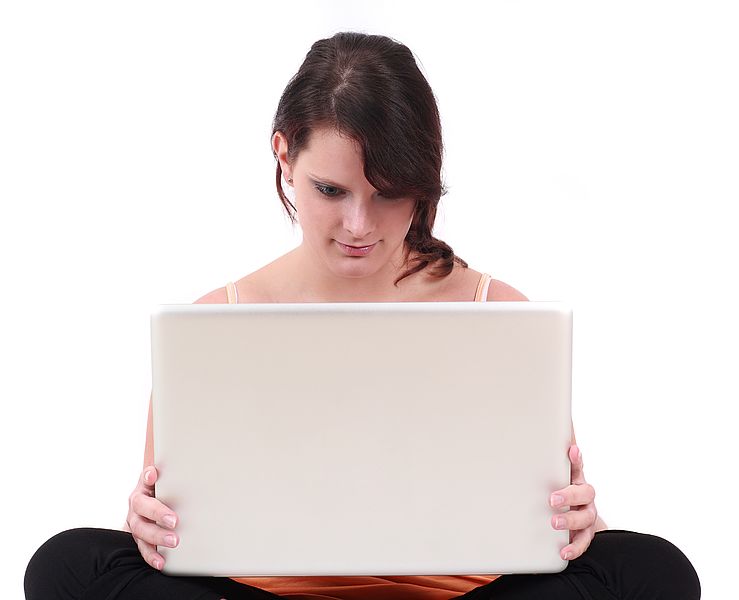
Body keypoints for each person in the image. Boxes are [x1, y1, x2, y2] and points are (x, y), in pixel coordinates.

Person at [24, 32, 700, 600]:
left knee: (651, 569)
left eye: (387, 195)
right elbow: (170, 535)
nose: (358, 225)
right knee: (65, 563)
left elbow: (555, 523)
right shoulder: (215, 324)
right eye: (331, 190)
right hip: (264, 598)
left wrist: (582, 522)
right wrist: (146, 526)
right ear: (283, 155)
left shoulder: (496, 314)